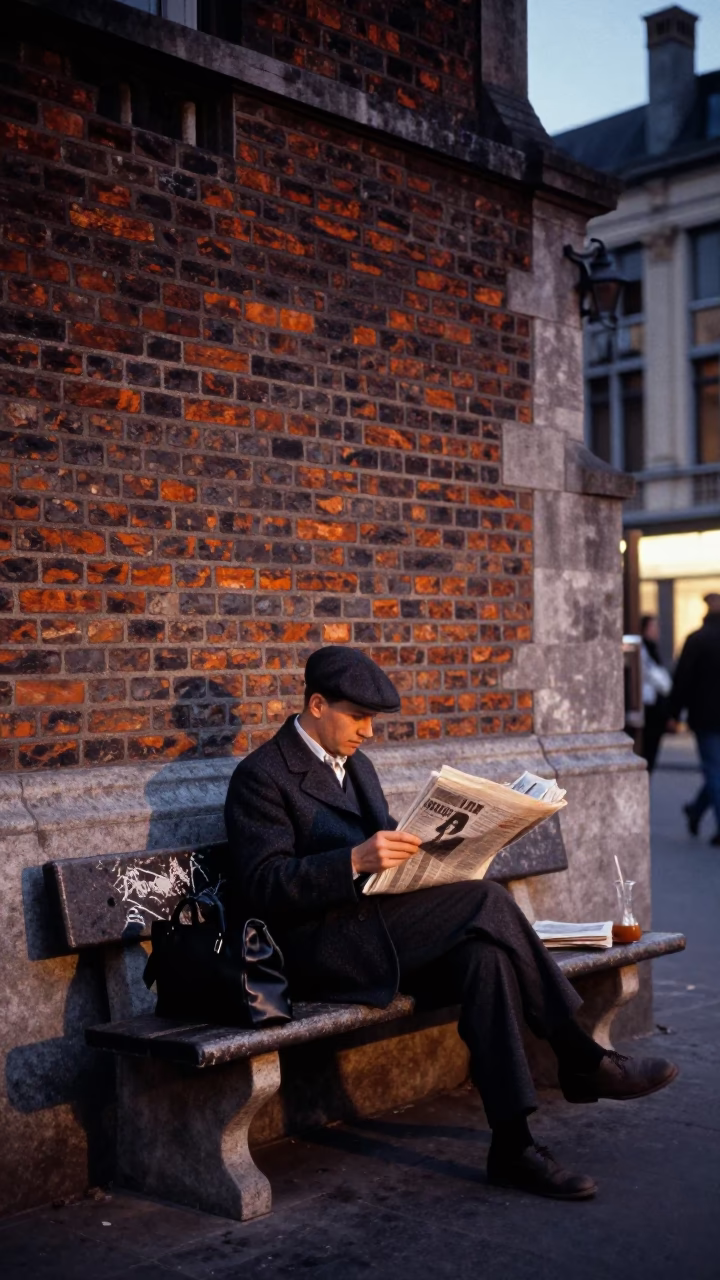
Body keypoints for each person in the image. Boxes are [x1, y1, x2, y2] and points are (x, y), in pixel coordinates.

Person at [225, 646, 678, 1202]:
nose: (368, 731)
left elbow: (391, 850)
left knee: (484, 958)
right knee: (484, 902)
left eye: (374, 720)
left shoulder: (357, 768)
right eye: (358, 717)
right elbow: (262, 886)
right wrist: (350, 862)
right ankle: (579, 1056)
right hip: (316, 951)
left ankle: (513, 1147)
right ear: (317, 705)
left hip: (376, 932)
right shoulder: (261, 776)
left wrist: (440, 855)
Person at [667, 592, 720, 845]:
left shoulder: (697, 639)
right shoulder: (698, 639)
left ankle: (697, 810)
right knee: (715, 771)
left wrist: (674, 714)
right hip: (706, 717)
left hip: (705, 717)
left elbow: (682, 680)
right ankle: (699, 812)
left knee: (714, 770)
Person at [639, 615, 672, 773]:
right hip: (648, 707)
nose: (656, 631)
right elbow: (654, 676)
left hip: (655, 707)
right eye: (653, 627)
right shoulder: (642, 649)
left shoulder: (652, 648)